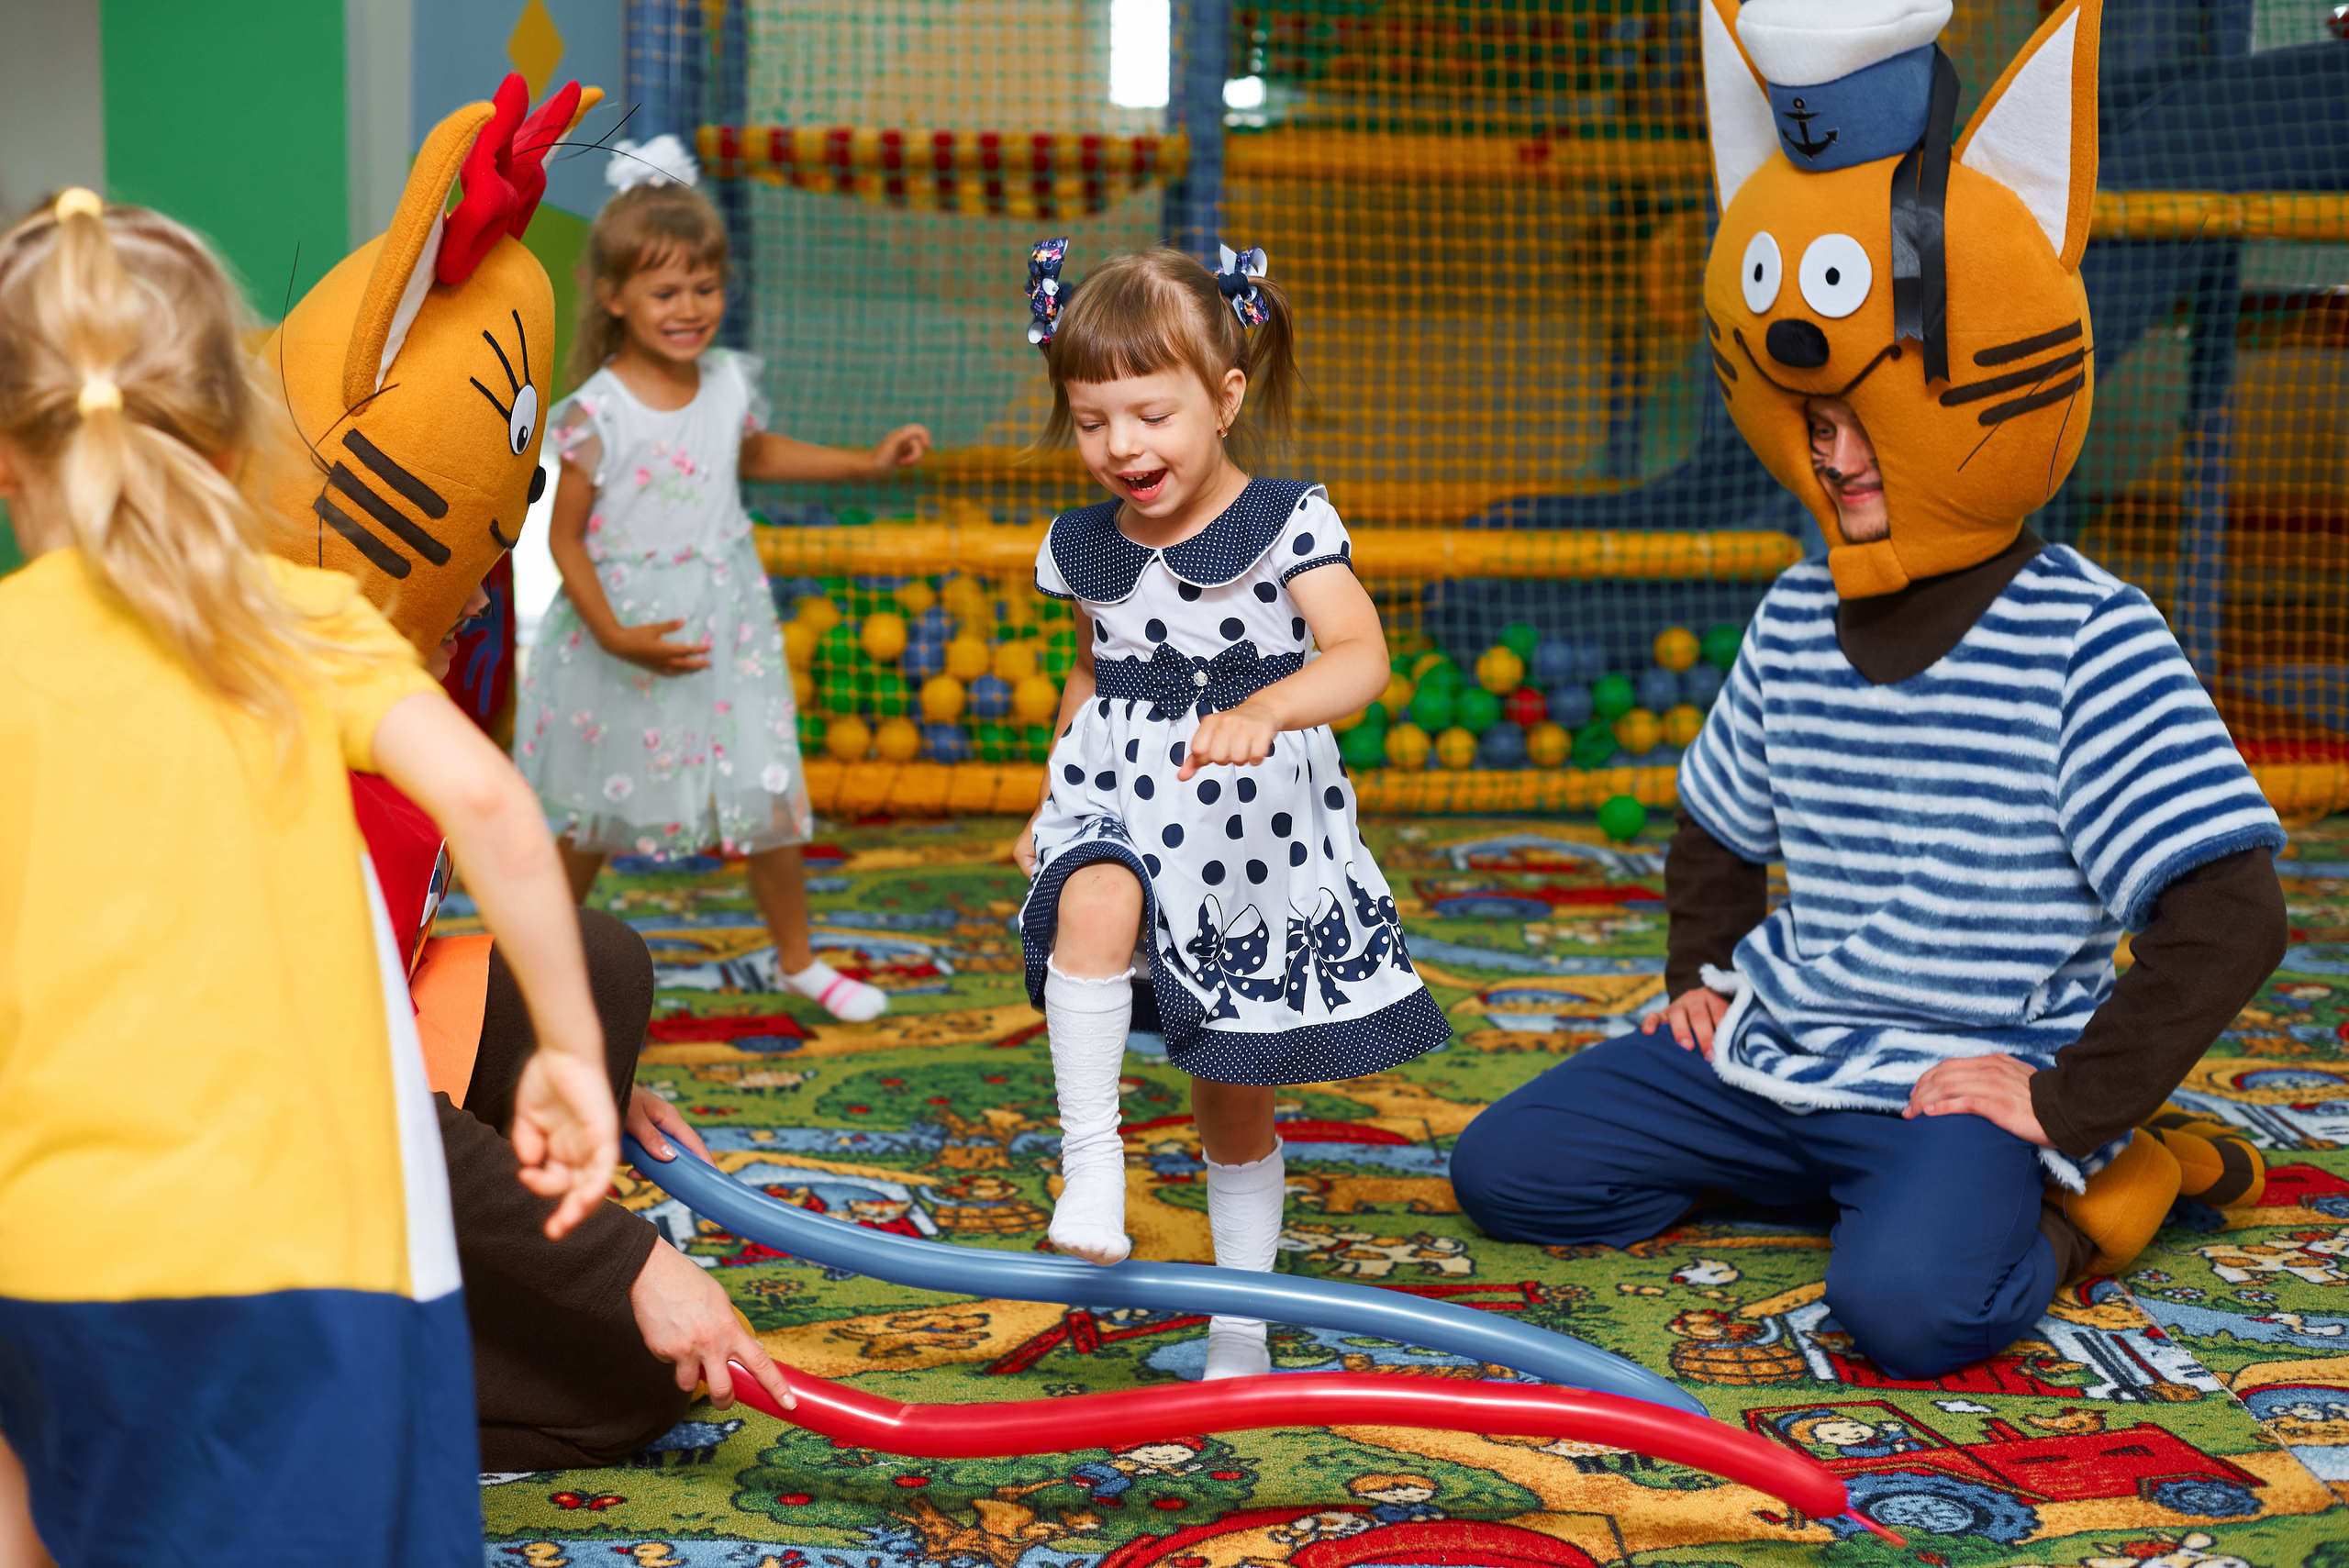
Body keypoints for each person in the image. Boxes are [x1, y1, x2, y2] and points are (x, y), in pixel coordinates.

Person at [1447, 0, 2288, 1382]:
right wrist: (1699, 980)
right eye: (1816, 425)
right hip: (1778, 1046)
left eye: (1866, 420)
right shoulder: (1794, 612)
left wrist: (2070, 1100)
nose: (1837, 459)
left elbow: (2232, 908)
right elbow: (1715, 823)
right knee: (1511, 1171)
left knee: (1909, 1312)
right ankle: (1861, 1191)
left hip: (1959, 1079)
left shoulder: (2089, 632)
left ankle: (2105, 1191)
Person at [0, 193, 616, 1563]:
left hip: (53, 1245)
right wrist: (569, 1054)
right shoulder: (303, 621)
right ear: (235, 436)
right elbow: (496, 810)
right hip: (309, 1248)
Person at [1011, 239, 1450, 1379]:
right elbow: (1092, 671)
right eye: (1092, 420)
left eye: (1150, 415)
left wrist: (1268, 706)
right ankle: (1091, 1163)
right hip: (1123, 800)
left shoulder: (1285, 522)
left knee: (1232, 1100)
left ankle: (1239, 1331)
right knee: (1090, 897)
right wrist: (1053, 800)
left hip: (1245, 840)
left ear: (1225, 397)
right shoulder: (1085, 544)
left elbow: (1360, 655)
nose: (1122, 446)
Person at [350, 594, 795, 1470]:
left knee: (599, 965)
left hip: (342, 1095)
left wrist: (573, 1060)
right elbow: (359, 1098)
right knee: (632, 1385)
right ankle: (313, 1389)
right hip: (243, 1194)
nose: (481, 597)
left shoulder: (374, 714)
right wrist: (627, 1261)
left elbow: (388, 970)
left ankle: (439, 1298)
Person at [517, 159, 930, 1023]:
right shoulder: (597, 412)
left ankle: (797, 960)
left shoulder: (728, 381)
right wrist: (614, 634)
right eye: (665, 291)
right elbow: (563, 538)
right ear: (614, 297)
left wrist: (864, 462)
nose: (690, 308)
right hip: (621, 637)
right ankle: (534, 965)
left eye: (704, 287)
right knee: (589, 815)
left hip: (725, 629)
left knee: (767, 793)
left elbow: (754, 452)